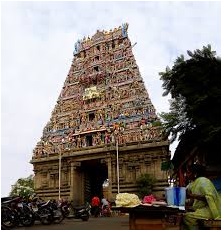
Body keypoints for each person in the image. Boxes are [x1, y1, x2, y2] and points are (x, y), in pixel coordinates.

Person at [182, 163, 221, 229]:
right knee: (186, 214)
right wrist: (187, 206)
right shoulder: (193, 183)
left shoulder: (203, 181)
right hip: (202, 208)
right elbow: (193, 201)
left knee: (188, 217)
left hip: (212, 209)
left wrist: (191, 195)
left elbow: (209, 198)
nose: (186, 175)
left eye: (188, 172)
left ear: (195, 174)